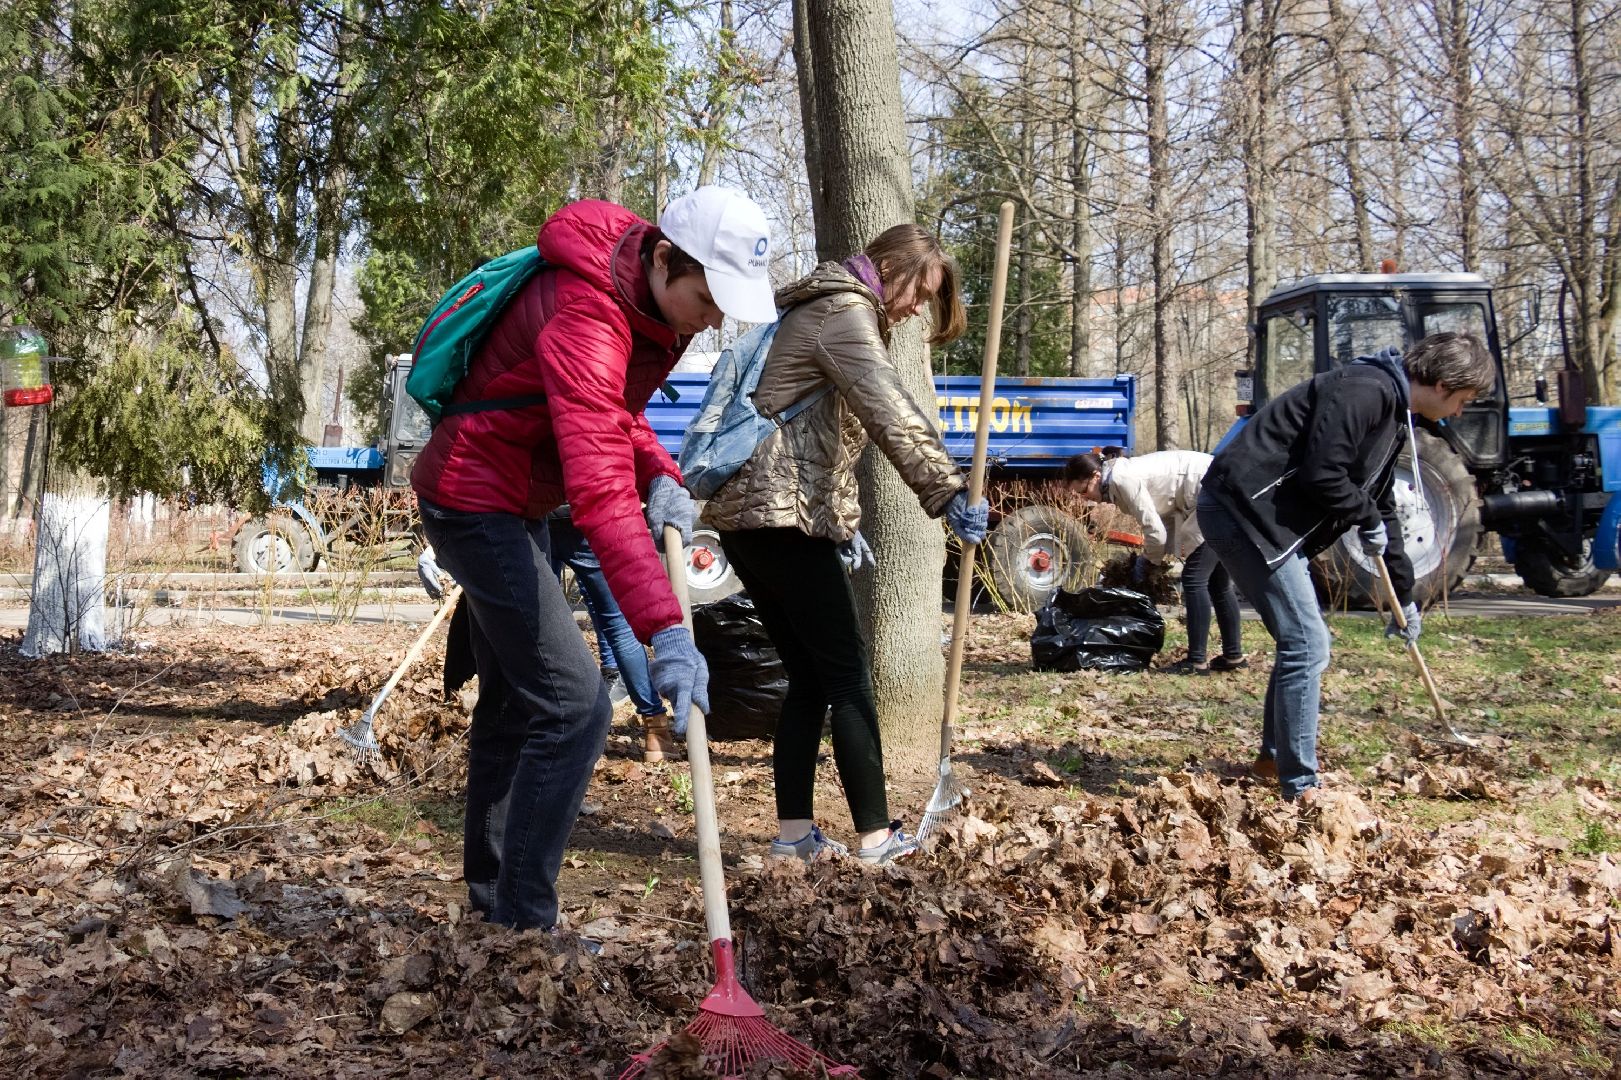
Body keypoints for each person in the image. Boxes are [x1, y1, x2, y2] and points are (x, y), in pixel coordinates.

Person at [410, 185, 778, 930]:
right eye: (706, 298)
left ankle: (494, 906)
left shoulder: (636, 300)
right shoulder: (588, 315)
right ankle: (522, 924)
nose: (711, 321)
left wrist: (661, 475)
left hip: (515, 501)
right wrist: (666, 629)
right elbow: (600, 489)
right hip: (474, 501)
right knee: (575, 706)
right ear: (666, 259)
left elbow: (615, 416)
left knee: (517, 700)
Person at [701, 223, 990, 866]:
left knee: (807, 679)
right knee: (848, 677)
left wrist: (844, 522)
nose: (918, 308)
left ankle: (794, 837)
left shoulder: (825, 307)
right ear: (890, 268)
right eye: (921, 291)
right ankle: (877, 837)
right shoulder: (844, 311)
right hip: (778, 518)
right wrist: (948, 492)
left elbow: (820, 439)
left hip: (753, 517)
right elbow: (887, 407)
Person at [1195, 332, 1495, 803]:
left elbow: (1381, 501)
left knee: (1301, 640)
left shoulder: (1393, 412)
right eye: (1463, 400)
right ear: (1443, 383)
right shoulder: (1365, 389)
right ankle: (1301, 786)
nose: (1460, 411)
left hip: (1264, 519)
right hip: (1240, 509)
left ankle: (1276, 759)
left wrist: (1405, 596)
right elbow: (1323, 472)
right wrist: (1366, 516)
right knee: (1308, 642)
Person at [1064, 450, 1247, 674]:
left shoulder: (1122, 479)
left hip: (1213, 488)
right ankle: (1233, 656)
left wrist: (1148, 562)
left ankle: (1197, 662)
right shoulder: (1118, 477)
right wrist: (1163, 554)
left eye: (1083, 491)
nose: (1085, 498)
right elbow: (1165, 514)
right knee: (1217, 582)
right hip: (1216, 485)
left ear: (1094, 476)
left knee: (1194, 579)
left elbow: (1155, 531)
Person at [545, 506, 675, 762]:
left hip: (534, 514)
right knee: (618, 626)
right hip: (578, 511)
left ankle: (543, 723)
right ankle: (657, 732)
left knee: (541, 624)